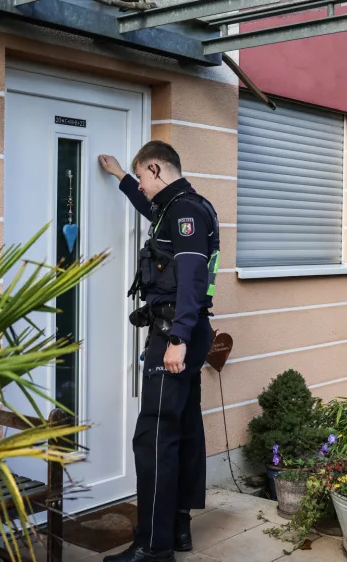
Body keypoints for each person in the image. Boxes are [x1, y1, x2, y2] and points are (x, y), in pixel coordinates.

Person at [97, 141, 220, 562]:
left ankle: (153, 546)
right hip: (187, 330)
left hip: (174, 332)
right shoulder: (185, 207)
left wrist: (178, 338)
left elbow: (190, 277)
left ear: (156, 167)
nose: (145, 191)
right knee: (183, 427)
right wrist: (121, 177)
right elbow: (153, 212)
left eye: (144, 180)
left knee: (154, 435)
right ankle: (179, 528)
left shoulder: (184, 212)